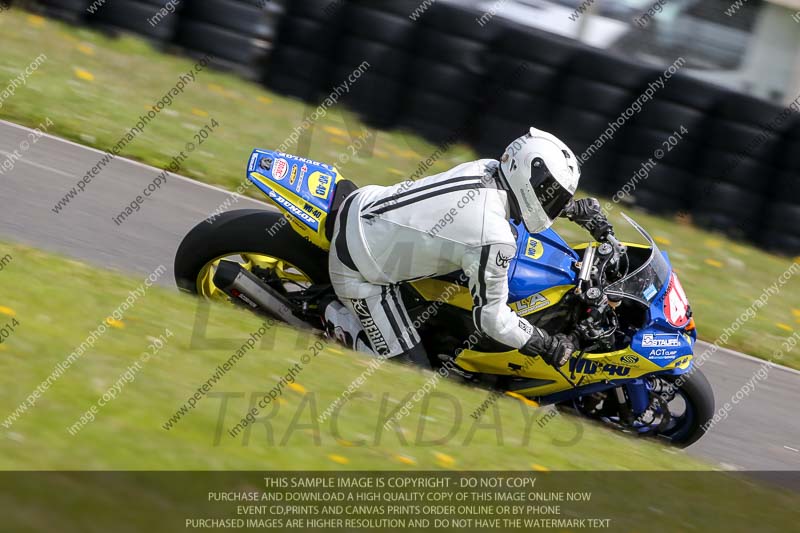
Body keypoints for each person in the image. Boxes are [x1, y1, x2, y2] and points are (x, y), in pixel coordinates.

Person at [324, 127, 615, 369]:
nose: (554, 202)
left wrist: (571, 209)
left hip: (366, 203)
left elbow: (521, 199)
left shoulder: (488, 166)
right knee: (411, 374)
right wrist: (544, 343)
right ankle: (340, 322)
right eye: (553, 193)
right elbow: (492, 319)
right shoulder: (494, 236)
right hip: (360, 272)